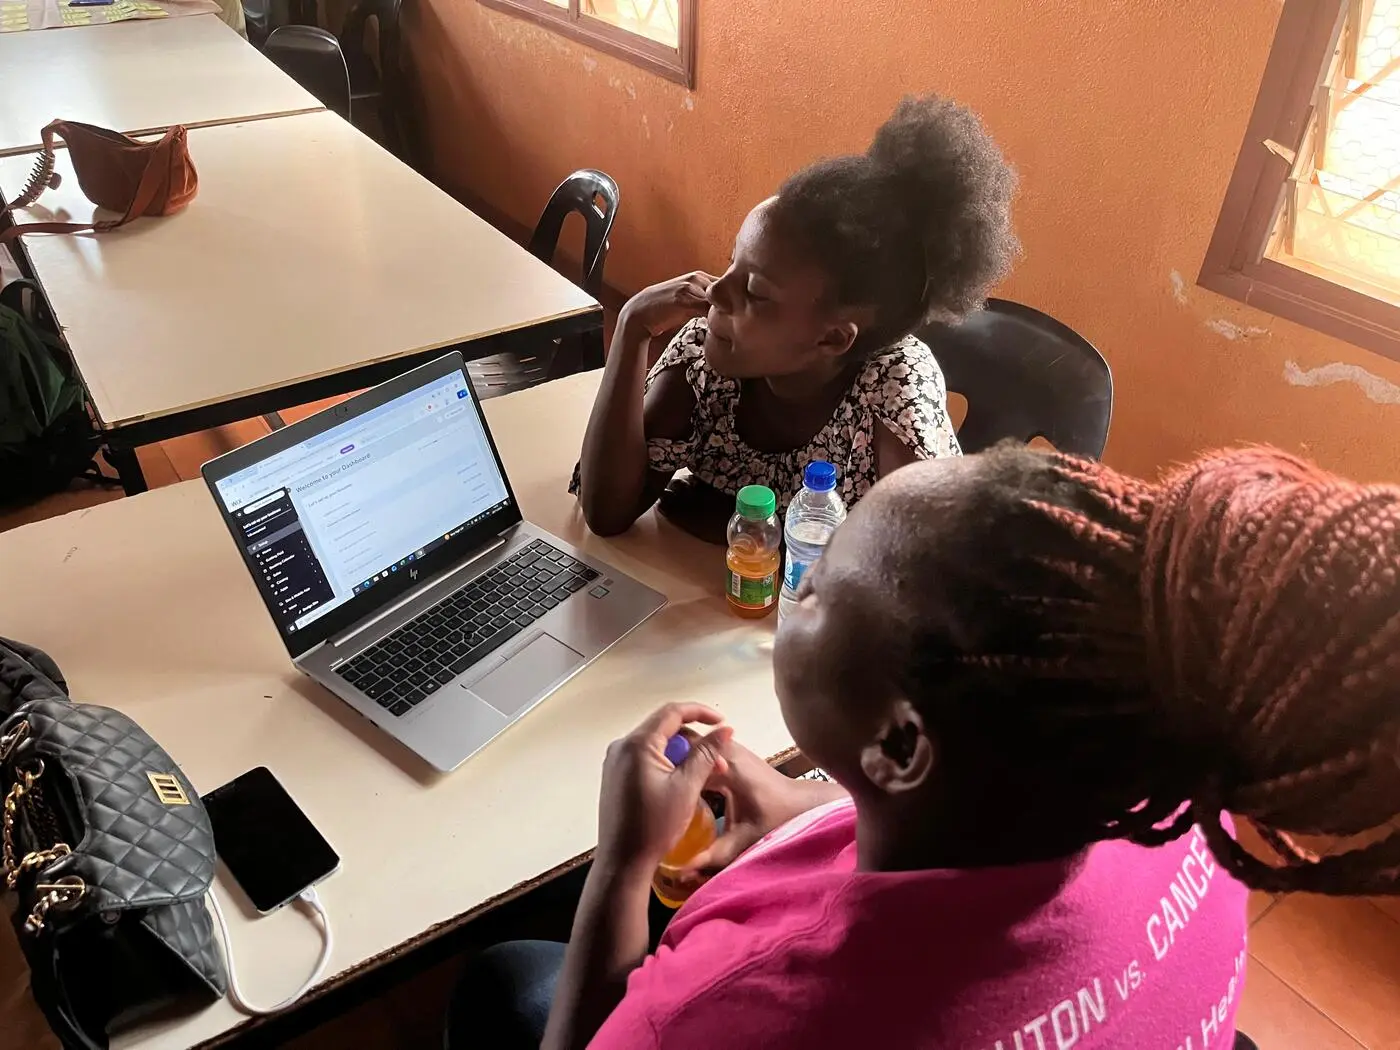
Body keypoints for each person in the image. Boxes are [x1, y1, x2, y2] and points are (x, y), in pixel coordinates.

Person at [448, 444, 1400, 1049]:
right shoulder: (1179, 788)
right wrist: (805, 807)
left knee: (507, 981)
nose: (795, 592)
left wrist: (621, 867)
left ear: (902, 746)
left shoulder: (734, 1007)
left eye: (816, 588)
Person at [571, 95, 1018, 542]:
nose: (717, 292)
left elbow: (915, 570)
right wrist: (632, 327)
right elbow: (606, 513)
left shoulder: (893, 393)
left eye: (754, 291)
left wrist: (745, 529)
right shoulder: (706, 354)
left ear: (832, 339)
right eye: (731, 263)